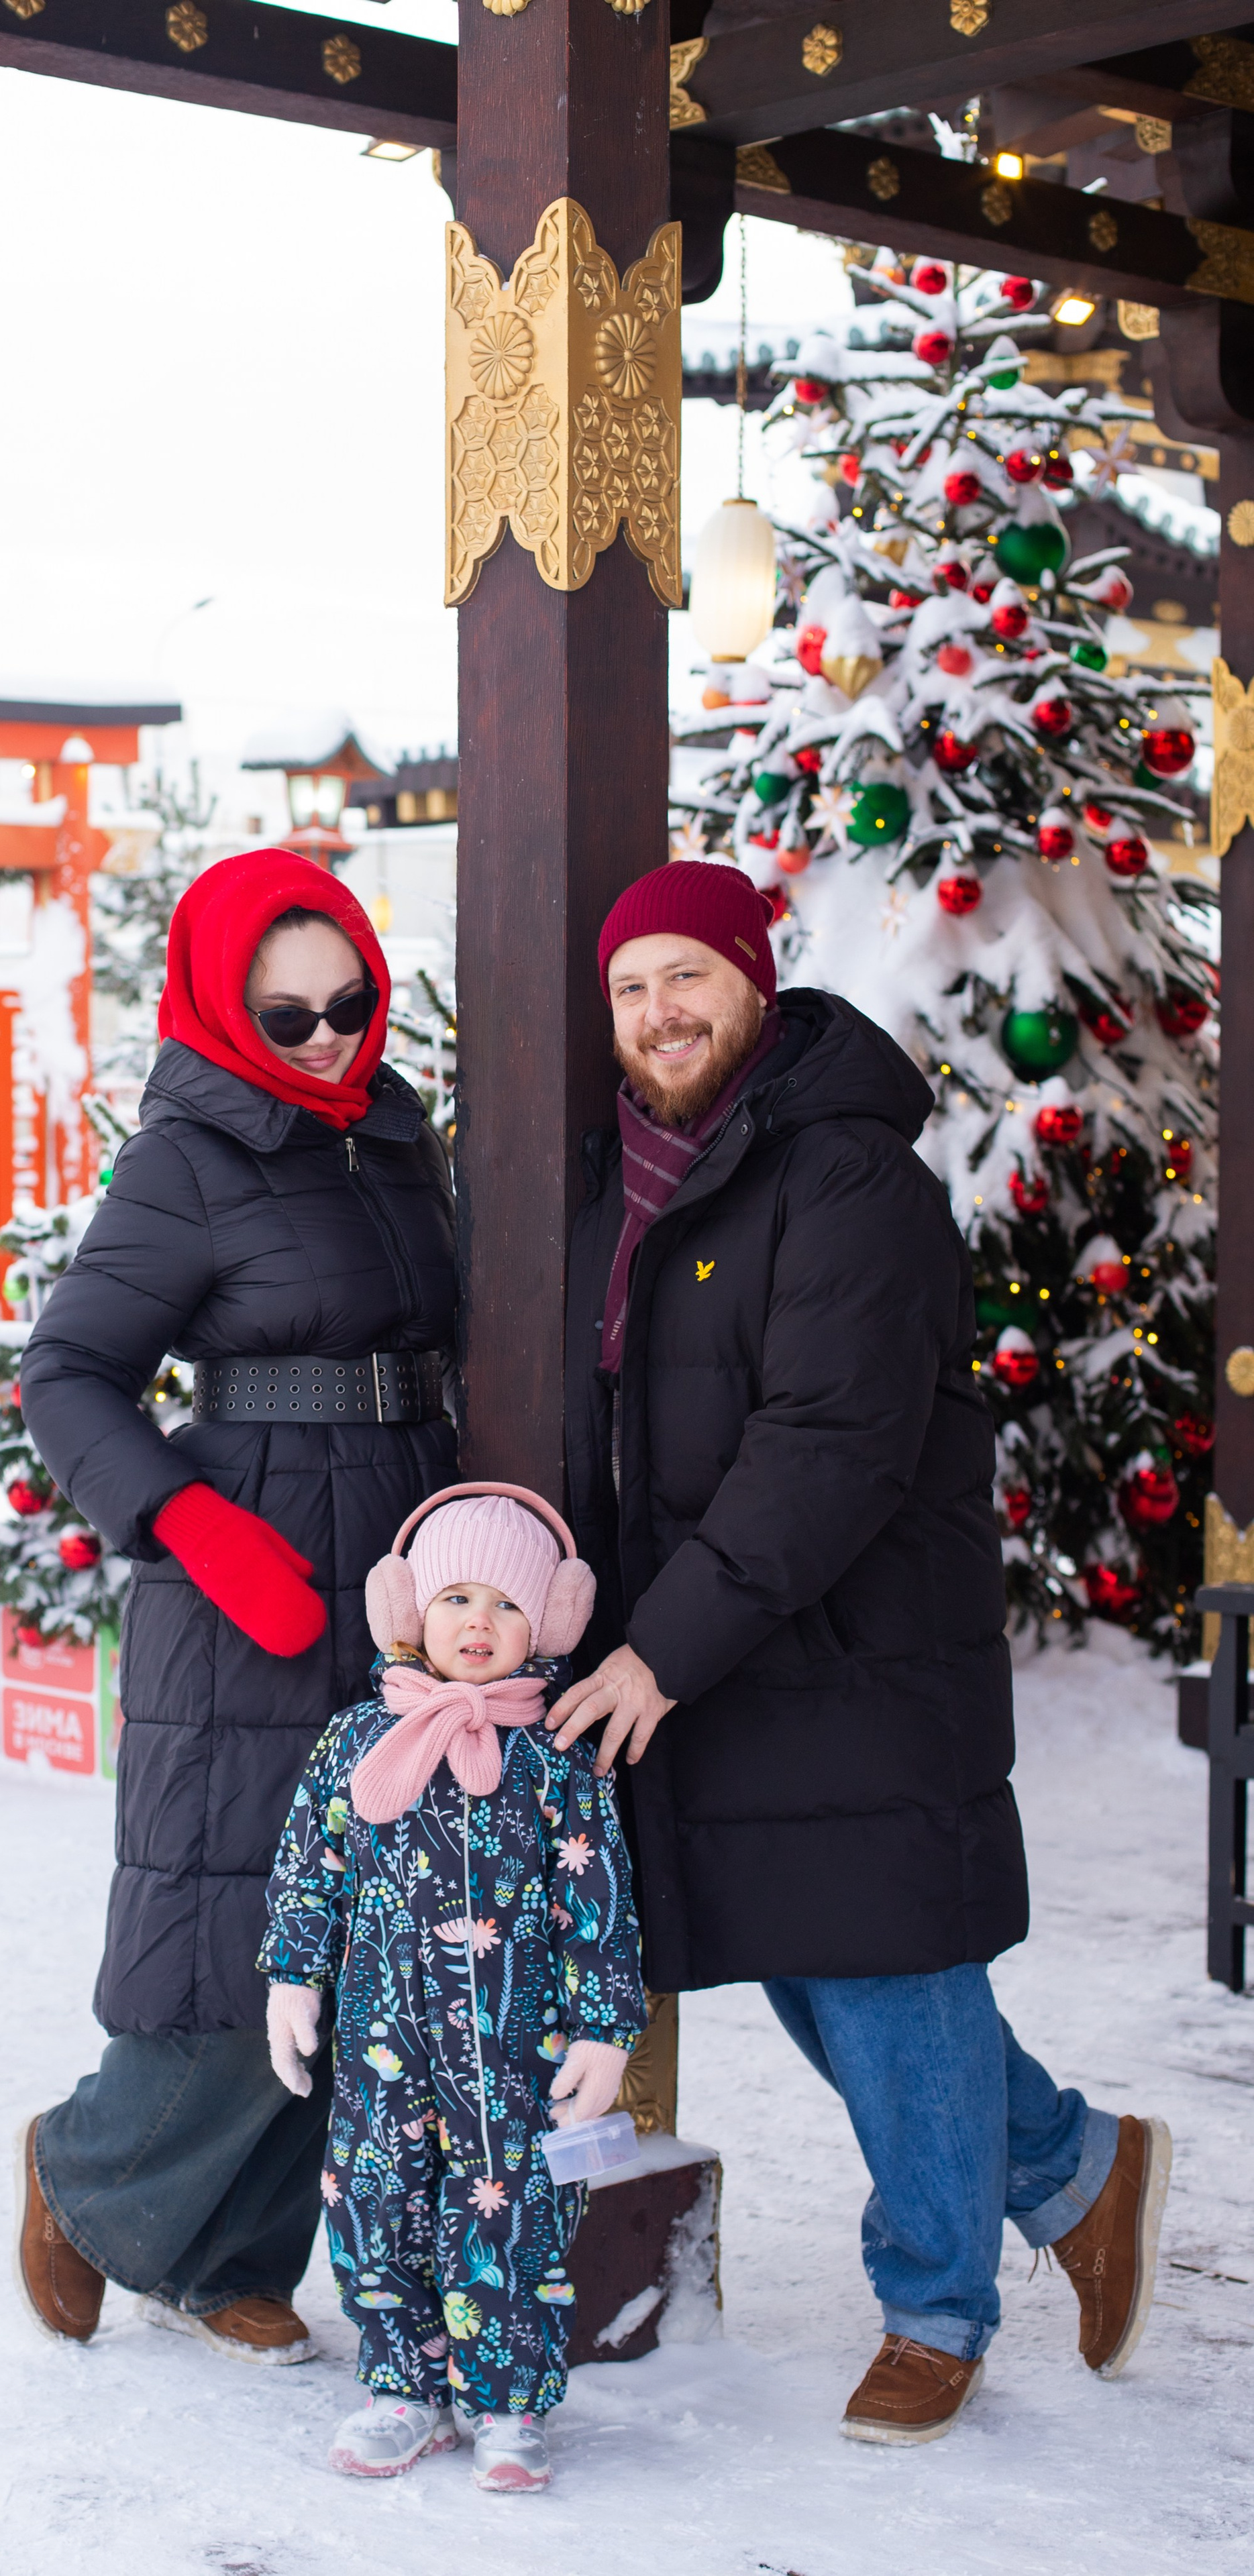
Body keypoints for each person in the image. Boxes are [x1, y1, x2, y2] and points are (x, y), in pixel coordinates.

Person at [550, 859, 1171, 2445]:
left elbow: (827, 1439)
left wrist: (658, 1652)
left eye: (685, 976)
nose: (657, 1013)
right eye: (630, 989)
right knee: (826, 1975)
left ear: (754, 984)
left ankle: (932, 2306)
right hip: (751, 1647)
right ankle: (1074, 2171)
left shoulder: (843, 1179)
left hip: (856, 1645)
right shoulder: (653, 1176)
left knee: (886, 1974)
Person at [12, 849, 457, 2365]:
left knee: (355, 1926)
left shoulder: (396, 1140)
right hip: (250, 1584)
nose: (329, 1040)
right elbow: (64, 1373)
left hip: (397, 1565)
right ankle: (82, 2177)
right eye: (288, 1018)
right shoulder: (184, 1161)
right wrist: (189, 1518)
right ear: (220, 1008)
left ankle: (233, 2257)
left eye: (349, 1005)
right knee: (233, 1925)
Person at [261, 1485, 643, 2493]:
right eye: (458, 1598)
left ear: (550, 1620)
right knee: (374, 2201)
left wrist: (605, 2031)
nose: (480, 1623)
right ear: (408, 1610)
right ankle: (402, 2389)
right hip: (384, 2045)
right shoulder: (355, 1743)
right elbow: (311, 1869)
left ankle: (508, 2403)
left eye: (509, 1605)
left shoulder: (557, 1758)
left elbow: (595, 1899)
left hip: (515, 2056)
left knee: (510, 2213)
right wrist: (294, 1979)